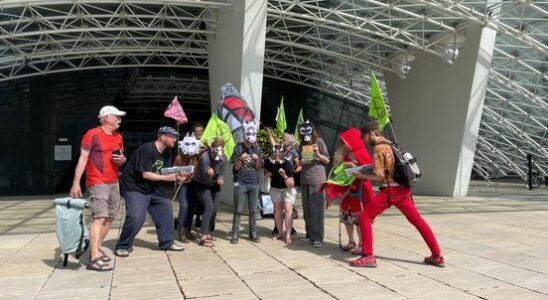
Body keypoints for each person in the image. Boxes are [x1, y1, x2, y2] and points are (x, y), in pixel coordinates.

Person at [350, 118, 444, 268]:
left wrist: (361, 175)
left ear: (370, 133)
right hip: (403, 189)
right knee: (418, 221)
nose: (365, 141)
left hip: (390, 190)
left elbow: (381, 176)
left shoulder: (379, 148)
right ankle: (437, 255)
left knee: (364, 217)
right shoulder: (390, 144)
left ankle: (368, 256)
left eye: (365, 137)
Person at [115, 126, 188, 257]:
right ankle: (123, 245)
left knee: (166, 207)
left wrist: (178, 176)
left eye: (176, 137)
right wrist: (166, 178)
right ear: (163, 136)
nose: (175, 140)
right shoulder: (147, 149)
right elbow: (146, 174)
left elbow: (163, 171)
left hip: (152, 187)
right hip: (134, 187)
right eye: (173, 136)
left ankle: (166, 242)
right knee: (136, 216)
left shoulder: (166, 152)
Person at [70, 105, 127, 272]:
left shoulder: (118, 136)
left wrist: (122, 160)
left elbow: (121, 157)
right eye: (116, 116)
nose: (119, 119)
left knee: (110, 218)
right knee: (100, 217)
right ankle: (94, 257)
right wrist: (75, 183)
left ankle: (96, 248)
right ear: (106, 117)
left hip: (114, 181)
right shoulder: (92, 134)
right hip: (97, 181)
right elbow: (82, 159)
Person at [333, 128, 375, 255]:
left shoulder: (363, 153)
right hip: (348, 190)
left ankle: (362, 244)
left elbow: (368, 170)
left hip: (361, 191)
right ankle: (351, 241)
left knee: (359, 219)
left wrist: (354, 166)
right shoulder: (345, 153)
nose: (344, 144)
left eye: (346, 141)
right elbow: (339, 170)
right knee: (347, 217)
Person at [297, 121, 330, 248]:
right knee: (307, 210)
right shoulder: (301, 144)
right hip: (305, 179)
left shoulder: (319, 142)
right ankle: (310, 233)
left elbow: (327, 160)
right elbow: (301, 163)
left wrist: (317, 154)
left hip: (317, 180)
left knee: (317, 210)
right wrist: (301, 160)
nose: (305, 134)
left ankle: (318, 237)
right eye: (302, 131)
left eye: (308, 130)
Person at [230, 120, 262, 244]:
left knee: (253, 210)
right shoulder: (238, 147)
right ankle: (235, 234)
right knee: (238, 209)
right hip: (240, 183)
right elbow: (235, 168)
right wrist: (239, 159)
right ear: (245, 134)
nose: (251, 136)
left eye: (253, 133)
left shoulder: (257, 148)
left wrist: (257, 159)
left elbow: (258, 168)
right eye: (249, 133)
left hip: (253, 183)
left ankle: (252, 233)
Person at [193, 138, 226, 247]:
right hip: (202, 184)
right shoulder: (204, 157)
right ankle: (203, 236)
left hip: (214, 184)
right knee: (209, 207)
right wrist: (218, 177)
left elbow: (221, 172)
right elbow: (210, 172)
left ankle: (207, 233)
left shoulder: (223, 157)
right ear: (212, 148)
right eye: (216, 149)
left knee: (215, 209)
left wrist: (221, 178)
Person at [173, 132, 203, 243]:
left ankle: (188, 230)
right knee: (184, 207)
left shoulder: (196, 158)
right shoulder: (179, 158)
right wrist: (179, 177)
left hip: (194, 185)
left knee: (191, 208)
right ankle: (181, 231)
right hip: (183, 186)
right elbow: (173, 172)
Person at [264, 144, 295, 244]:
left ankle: (288, 235)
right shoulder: (268, 162)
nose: (276, 157)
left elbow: (291, 184)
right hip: (275, 188)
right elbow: (265, 170)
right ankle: (280, 233)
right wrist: (266, 173)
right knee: (277, 209)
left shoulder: (287, 164)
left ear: (282, 155)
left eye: (279, 154)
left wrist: (284, 176)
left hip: (287, 188)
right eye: (274, 154)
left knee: (288, 208)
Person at [272, 133, 300, 237]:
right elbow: (274, 145)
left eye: (286, 139)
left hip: (288, 180)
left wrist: (293, 172)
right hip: (279, 181)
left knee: (288, 206)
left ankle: (290, 228)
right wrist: (270, 134)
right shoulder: (281, 150)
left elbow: (298, 165)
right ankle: (277, 228)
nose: (283, 140)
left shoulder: (293, 152)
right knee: (278, 206)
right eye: (283, 139)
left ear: (291, 141)